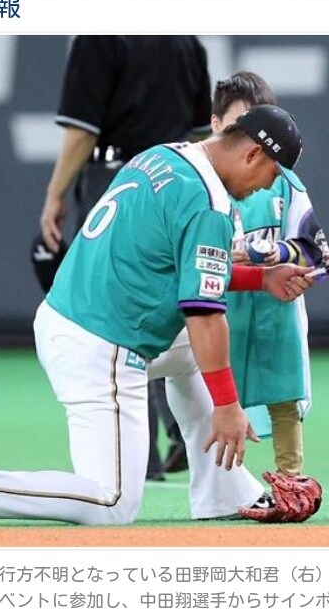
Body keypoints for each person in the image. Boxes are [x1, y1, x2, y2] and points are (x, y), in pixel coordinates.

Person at [0, 104, 314, 528]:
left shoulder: (164, 156)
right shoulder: (209, 204)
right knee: (111, 503)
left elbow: (177, 266)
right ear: (253, 154)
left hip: (70, 317)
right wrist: (226, 406)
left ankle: (225, 492)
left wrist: (260, 278)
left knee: (198, 352)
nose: (268, 187)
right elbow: (203, 313)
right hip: (101, 348)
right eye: (273, 174)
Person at [36, 35, 210, 480]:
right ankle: (182, 431)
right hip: (179, 185)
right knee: (173, 308)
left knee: (120, 316)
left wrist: (55, 194)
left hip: (121, 181)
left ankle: (138, 456)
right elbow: (200, 135)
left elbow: (82, 130)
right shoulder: (186, 40)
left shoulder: (101, 34)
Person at [211, 72, 329, 483]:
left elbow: (315, 250)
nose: (249, 140)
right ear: (215, 124)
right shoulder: (201, 180)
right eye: (237, 125)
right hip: (219, 309)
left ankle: (289, 480)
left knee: (284, 396)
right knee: (218, 397)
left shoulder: (284, 182)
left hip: (276, 310)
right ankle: (228, 486)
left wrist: (273, 253)